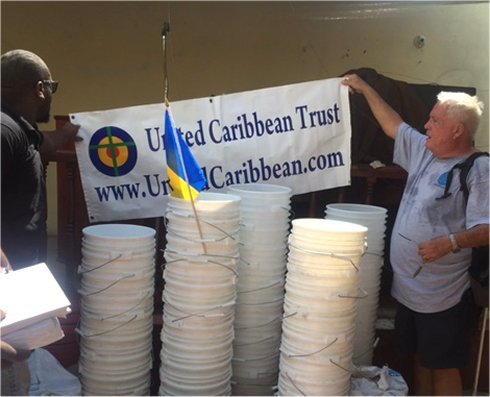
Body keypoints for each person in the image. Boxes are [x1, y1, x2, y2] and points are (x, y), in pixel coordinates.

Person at [342, 74, 489, 396]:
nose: (426, 125)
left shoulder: (478, 170)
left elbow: (487, 229)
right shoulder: (424, 151)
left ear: (457, 130)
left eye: (434, 120)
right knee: (421, 359)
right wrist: (365, 88)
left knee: (444, 365)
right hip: (410, 290)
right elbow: (392, 124)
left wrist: (450, 243)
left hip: (444, 294)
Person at [1, 49, 80, 270]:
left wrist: (67, 133)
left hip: (23, 268)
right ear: (40, 89)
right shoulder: (4, 130)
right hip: (8, 276)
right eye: (51, 86)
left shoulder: (18, 129)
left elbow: (39, 144)